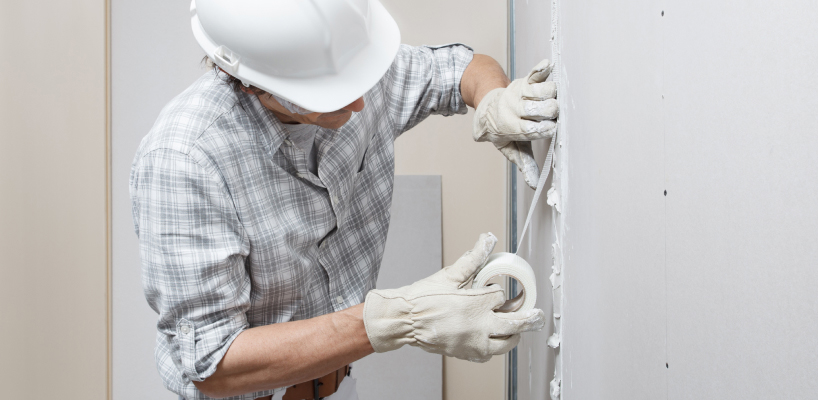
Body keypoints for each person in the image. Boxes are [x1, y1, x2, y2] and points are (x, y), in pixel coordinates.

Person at [129, 0, 557, 399]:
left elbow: (460, 68)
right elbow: (214, 364)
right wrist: (399, 318)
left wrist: (494, 97)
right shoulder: (185, 160)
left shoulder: (350, 69)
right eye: (329, 95)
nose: (360, 102)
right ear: (248, 83)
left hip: (337, 383)